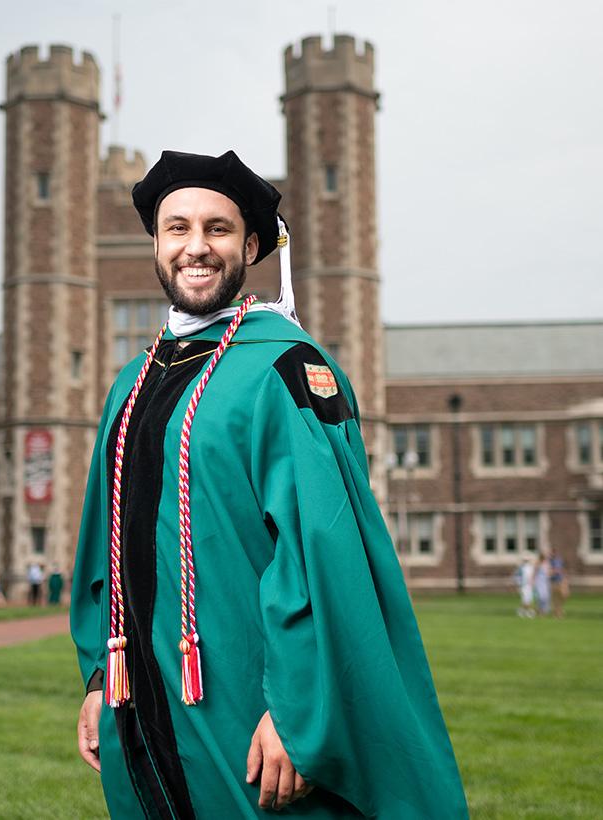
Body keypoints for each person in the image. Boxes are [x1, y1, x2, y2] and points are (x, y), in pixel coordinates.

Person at [70, 150, 468, 818]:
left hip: (249, 703)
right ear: (157, 242)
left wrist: (296, 711)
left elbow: (324, 556)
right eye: (178, 229)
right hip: (140, 700)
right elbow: (104, 546)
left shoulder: (286, 370)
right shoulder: (129, 384)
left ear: (252, 245)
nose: (196, 247)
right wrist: (96, 675)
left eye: (217, 229)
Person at [550, 553, 568, 618]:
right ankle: (557, 613)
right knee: (555, 598)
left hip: (561, 581)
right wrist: (553, 572)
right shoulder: (550, 562)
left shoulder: (560, 561)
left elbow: (562, 570)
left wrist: (565, 579)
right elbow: (549, 572)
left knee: (564, 595)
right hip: (554, 582)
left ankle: (558, 610)